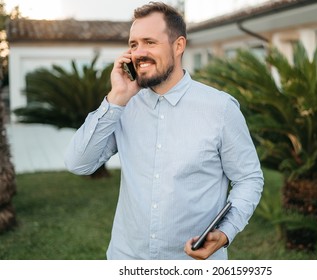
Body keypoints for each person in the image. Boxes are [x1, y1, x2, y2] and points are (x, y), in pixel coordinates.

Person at [65, 1, 264, 260]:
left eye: (149, 42)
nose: (139, 52)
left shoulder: (221, 108)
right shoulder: (122, 106)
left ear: (178, 45)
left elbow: (249, 178)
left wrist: (226, 231)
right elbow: (79, 164)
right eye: (134, 44)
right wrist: (115, 98)